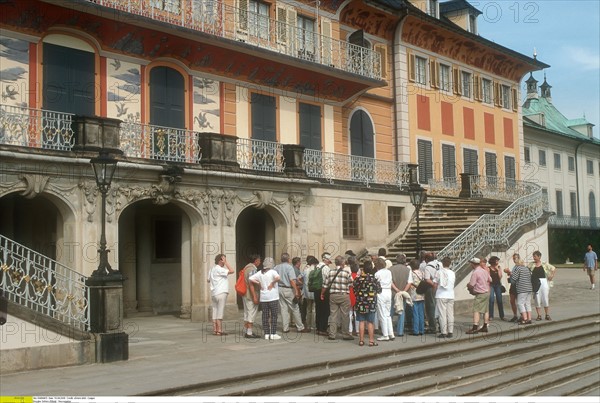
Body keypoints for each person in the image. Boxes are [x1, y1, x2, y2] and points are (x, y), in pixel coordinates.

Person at [321, 255, 354, 341]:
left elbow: (325, 285)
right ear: (343, 263)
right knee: (345, 315)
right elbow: (351, 284)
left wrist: (322, 293)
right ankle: (345, 334)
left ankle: (332, 334)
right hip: (344, 295)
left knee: (333, 315)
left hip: (333, 295)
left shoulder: (331, 272)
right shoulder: (346, 273)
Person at [274, 253, 307, 333]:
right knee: (295, 308)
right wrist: (296, 291)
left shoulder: (276, 267)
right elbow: (292, 280)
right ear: (288, 259)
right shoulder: (289, 268)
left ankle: (285, 328)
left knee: (283, 308)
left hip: (279, 288)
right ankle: (300, 327)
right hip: (288, 289)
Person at [249, 257, 281, 340]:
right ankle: (273, 333)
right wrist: (272, 283)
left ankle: (266, 333)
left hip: (263, 298)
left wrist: (259, 283)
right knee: (274, 315)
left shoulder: (260, 273)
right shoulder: (273, 272)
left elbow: (251, 278)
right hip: (273, 297)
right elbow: (278, 278)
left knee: (265, 316)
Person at [353, 259, 381, 347]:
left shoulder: (358, 279)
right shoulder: (374, 279)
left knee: (361, 321)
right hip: (371, 303)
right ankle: (371, 341)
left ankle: (361, 340)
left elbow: (354, 290)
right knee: (370, 322)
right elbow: (379, 290)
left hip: (360, 302)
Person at [208, 253, 234, 336]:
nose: (225, 261)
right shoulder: (219, 269)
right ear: (220, 260)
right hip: (221, 292)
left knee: (215, 311)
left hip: (214, 293)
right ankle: (219, 330)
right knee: (220, 311)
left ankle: (215, 329)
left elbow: (208, 280)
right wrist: (226, 263)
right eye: (223, 259)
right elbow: (232, 271)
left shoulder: (212, 269)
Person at [374, 257, 399, 341]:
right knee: (387, 314)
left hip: (381, 292)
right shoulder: (389, 272)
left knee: (382, 314)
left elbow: (375, 283)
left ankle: (385, 334)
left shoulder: (377, 273)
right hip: (388, 291)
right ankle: (391, 333)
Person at [465, 257, 492, 334]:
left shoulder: (475, 272)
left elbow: (472, 285)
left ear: (473, 264)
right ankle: (485, 326)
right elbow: (490, 280)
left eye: (471, 263)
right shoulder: (484, 271)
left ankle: (475, 327)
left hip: (480, 293)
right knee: (486, 310)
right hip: (486, 292)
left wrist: (468, 286)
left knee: (476, 310)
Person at [389, 253, 413, 337]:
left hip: (393, 293)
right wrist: (403, 291)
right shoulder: (408, 270)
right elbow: (409, 282)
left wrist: (396, 290)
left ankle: (389, 330)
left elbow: (390, 282)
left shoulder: (390, 269)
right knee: (401, 311)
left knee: (391, 312)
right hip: (403, 293)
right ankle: (400, 331)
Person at [529, 250, 556, 321]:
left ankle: (547, 314)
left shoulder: (544, 264)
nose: (534, 258)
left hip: (543, 281)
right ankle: (539, 315)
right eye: (533, 256)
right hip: (535, 282)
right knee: (537, 298)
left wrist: (551, 276)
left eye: (535, 256)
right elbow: (526, 270)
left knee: (545, 298)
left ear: (539, 256)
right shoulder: (531, 264)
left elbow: (553, 268)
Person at [433, 256, 455, 338]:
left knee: (442, 314)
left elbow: (435, 284)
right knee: (450, 314)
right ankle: (450, 331)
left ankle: (443, 332)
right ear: (450, 264)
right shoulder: (452, 273)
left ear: (442, 263)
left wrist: (434, 291)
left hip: (441, 294)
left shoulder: (439, 272)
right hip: (451, 294)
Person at [241, 254, 261, 338]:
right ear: (256, 261)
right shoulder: (252, 269)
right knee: (251, 312)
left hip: (245, 293)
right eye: (259, 260)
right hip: (250, 294)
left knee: (247, 311)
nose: (260, 262)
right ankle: (249, 332)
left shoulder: (246, 268)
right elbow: (251, 283)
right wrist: (255, 296)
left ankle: (248, 331)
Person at [510, 255, 533, 325]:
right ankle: (529, 319)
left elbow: (514, 279)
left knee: (520, 303)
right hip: (529, 288)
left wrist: (510, 274)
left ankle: (525, 319)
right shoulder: (526, 268)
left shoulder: (518, 268)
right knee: (528, 304)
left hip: (522, 288)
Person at [314, 252, 333, 336]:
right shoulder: (326, 268)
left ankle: (318, 328)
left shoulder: (316, 266)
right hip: (324, 290)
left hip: (316, 290)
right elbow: (328, 280)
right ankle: (323, 328)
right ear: (326, 259)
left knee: (318, 309)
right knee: (325, 310)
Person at [300, 255, 319, 331]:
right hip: (315, 291)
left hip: (307, 291)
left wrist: (303, 283)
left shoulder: (306, 270)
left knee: (308, 309)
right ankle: (313, 325)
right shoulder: (317, 270)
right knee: (314, 309)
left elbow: (299, 278)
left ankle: (308, 325)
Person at [422, 252, 438, 334]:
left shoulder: (427, 267)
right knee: (439, 307)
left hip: (431, 288)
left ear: (426, 260)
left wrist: (435, 285)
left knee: (430, 307)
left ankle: (432, 327)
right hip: (441, 287)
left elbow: (427, 279)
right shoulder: (439, 264)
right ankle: (442, 326)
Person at [409, 258, 425, 336]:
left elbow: (410, 283)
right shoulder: (422, 273)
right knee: (421, 313)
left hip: (414, 294)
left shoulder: (411, 273)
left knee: (415, 313)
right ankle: (422, 329)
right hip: (421, 294)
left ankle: (416, 330)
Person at [504, 253, 521, 322]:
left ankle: (522, 315)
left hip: (518, 285)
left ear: (518, 258)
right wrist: (509, 273)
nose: (514, 260)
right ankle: (515, 315)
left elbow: (518, 276)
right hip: (513, 285)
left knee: (519, 301)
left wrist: (509, 272)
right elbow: (513, 275)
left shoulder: (520, 266)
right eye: (513, 258)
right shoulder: (514, 266)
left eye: (515, 258)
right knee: (512, 301)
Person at [488, 256, 505, 321]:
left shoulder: (499, 267)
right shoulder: (489, 268)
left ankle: (502, 316)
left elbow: (500, 277)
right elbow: (488, 277)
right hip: (491, 285)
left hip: (498, 285)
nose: (497, 262)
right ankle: (491, 316)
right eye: (496, 261)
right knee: (491, 300)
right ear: (493, 261)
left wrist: (497, 270)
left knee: (499, 300)